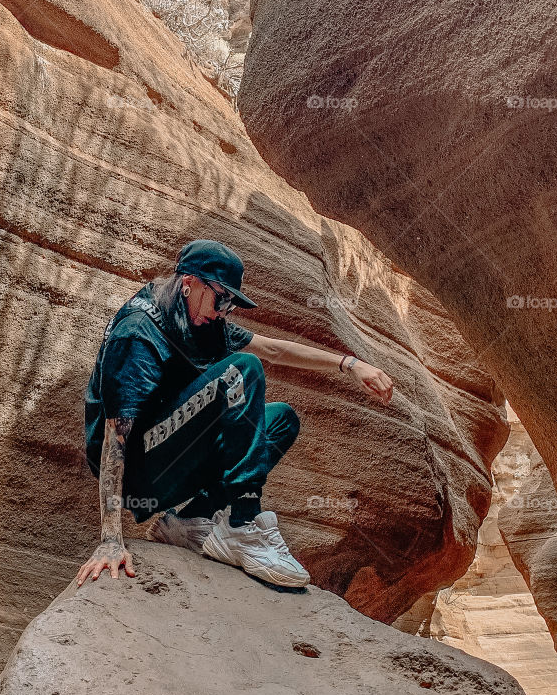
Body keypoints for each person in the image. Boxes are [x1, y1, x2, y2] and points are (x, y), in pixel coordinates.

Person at [77, 238, 395, 589]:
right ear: (189, 283)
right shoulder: (139, 333)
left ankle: (187, 523)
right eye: (222, 298)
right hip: (139, 471)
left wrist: (350, 364)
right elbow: (113, 438)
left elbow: (273, 349)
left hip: (171, 453)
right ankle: (243, 524)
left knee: (280, 420)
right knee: (241, 371)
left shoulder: (200, 319)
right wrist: (110, 539)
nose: (224, 311)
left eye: (231, 304)